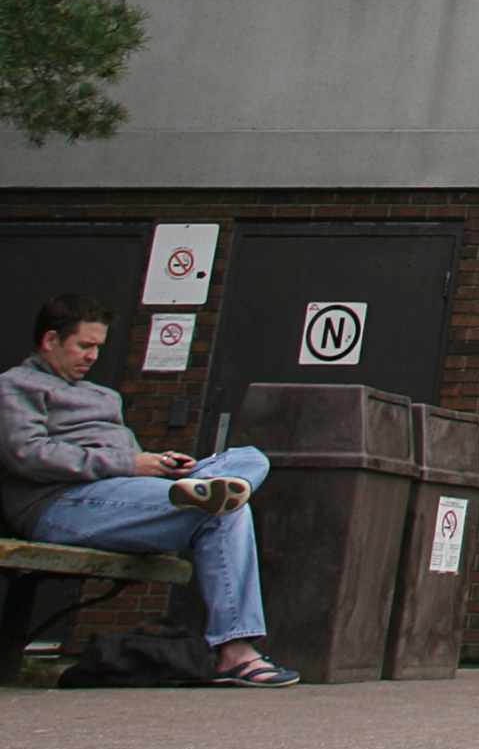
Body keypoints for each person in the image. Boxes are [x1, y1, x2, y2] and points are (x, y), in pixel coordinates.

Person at [0, 293, 297, 686]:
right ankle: (237, 652)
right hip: (57, 503)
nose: (92, 357)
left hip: (119, 493)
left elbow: (125, 460)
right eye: (84, 346)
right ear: (51, 340)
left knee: (249, 458)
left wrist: (159, 465)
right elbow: (29, 455)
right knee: (224, 510)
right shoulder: (16, 386)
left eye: (98, 348)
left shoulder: (103, 396)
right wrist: (130, 464)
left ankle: (209, 485)